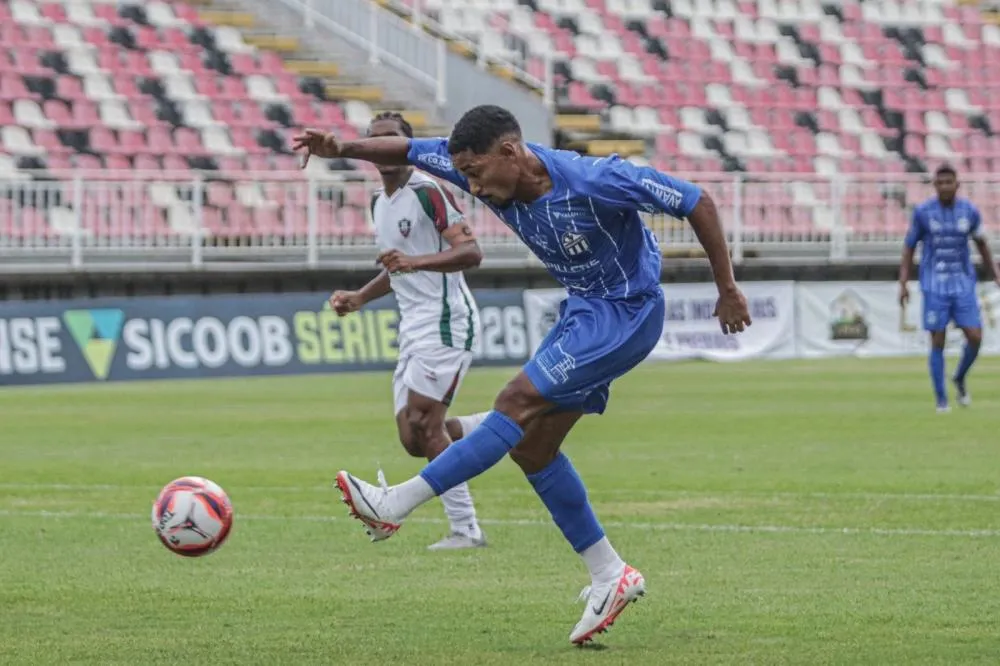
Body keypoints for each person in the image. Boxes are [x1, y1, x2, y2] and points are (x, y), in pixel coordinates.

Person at [293, 105, 752, 645]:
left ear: (510, 153)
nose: (472, 185)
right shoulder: (482, 166)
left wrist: (726, 288)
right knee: (532, 448)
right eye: (463, 173)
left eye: (478, 173)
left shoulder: (595, 178)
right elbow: (406, 150)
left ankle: (396, 504)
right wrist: (340, 149)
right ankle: (610, 574)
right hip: (585, 310)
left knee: (516, 400)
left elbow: (698, 200)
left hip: (626, 311)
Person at [330, 111, 488, 550]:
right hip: (413, 325)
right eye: (375, 140)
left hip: (446, 320)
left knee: (426, 421)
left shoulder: (427, 191)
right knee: (414, 439)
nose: (383, 147)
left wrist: (414, 264)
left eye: (391, 139)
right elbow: (398, 266)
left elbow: (471, 252)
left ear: (407, 145)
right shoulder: (380, 203)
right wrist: (360, 297)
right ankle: (500, 425)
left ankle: (466, 529)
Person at [899, 164, 1000, 412]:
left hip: (963, 283)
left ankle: (959, 377)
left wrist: (995, 274)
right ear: (934, 186)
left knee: (975, 337)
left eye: (949, 182)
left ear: (957, 184)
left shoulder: (969, 211)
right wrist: (903, 283)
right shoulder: (923, 212)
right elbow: (909, 248)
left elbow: (982, 245)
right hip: (934, 284)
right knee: (937, 339)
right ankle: (941, 400)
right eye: (940, 182)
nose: (944, 186)